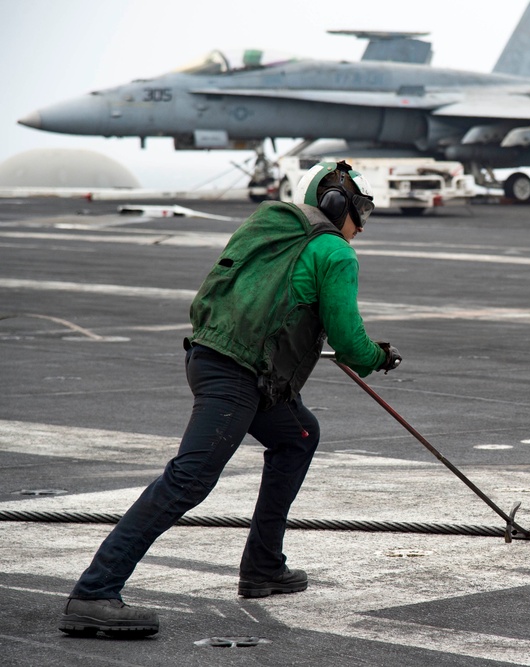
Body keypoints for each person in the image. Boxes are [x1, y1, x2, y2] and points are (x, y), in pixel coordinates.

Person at [57, 161, 401, 638]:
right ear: (335, 204)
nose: (361, 225)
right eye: (360, 211)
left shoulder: (267, 228)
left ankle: (263, 567)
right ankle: (95, 592)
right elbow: (352, 345)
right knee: (188, 479)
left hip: (209, 359)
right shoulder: (334, 253)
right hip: (238, 377)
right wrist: (381, 357)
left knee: (298, 436)